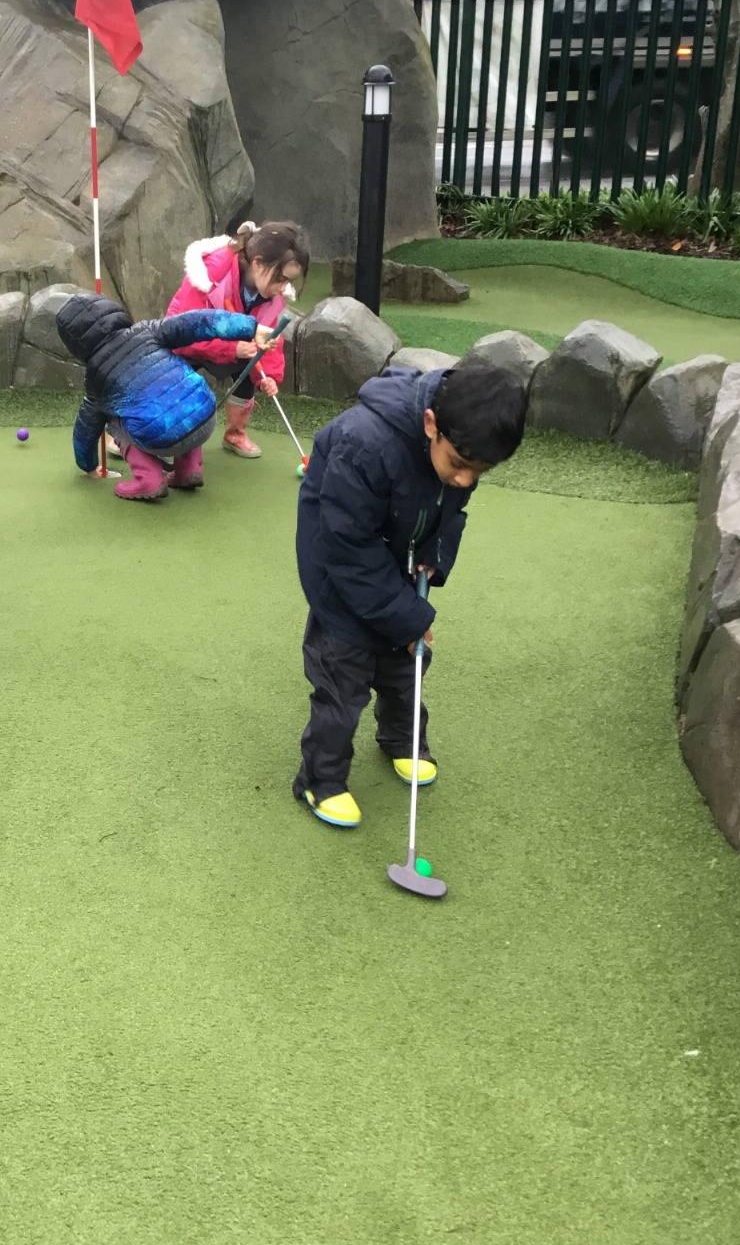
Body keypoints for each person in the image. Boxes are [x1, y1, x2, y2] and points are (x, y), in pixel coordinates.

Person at [293, 359, 528, 828]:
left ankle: (403, 740)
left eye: (479, 472)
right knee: (343, 678)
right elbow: (348, 546)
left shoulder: (458, 449)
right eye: (459, 465)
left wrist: (435, 554)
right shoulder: (364, 442)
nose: (465, 480)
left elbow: (449, 510)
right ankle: (321, 780)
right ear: (430, 424)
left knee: (406, 664)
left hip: (393, 559)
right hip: (339, 570)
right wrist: (408, 616)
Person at [56, 292, 277, 501]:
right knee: (185, 399)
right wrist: (251, 328)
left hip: (161, 438)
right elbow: (199, 321)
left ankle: (148, 479)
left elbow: (86, 428)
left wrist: (88, 465)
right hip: (207, 417)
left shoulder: (95, 378)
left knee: (112, 417)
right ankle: (188, 469)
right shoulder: (147, 330)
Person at [164, 220, 309, 459]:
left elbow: (269, 340)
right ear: (258, 263)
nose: (283, 287)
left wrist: (269, 377)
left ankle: (235, 432)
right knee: (171, 378)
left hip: (234, 346)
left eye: (289, 282)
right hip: (187, 342)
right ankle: (141, 432)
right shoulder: (208, 275)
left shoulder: (273, 297)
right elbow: (187, 333)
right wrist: (232, 349)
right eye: (280, 278)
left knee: (251, 362)